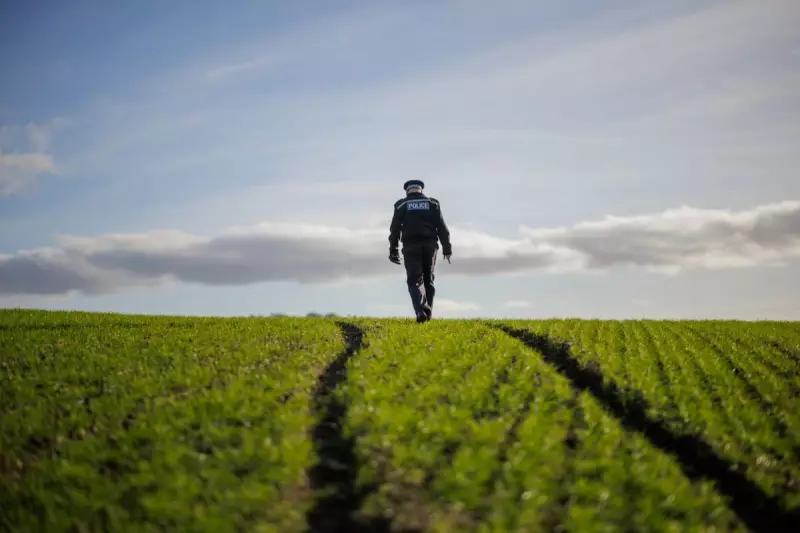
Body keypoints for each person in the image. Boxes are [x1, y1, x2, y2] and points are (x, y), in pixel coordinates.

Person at [388, 179, 452, 323]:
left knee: (414, 279)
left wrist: (393, 250)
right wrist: (447, 249)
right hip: (430, 245)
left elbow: (395, 229)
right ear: (421, 189)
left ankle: (421, 311)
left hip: (411, 246)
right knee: (429, 279)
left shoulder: (401, 205)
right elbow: (442, 228)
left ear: (407, 190)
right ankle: (427, 314)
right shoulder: (433, 204)